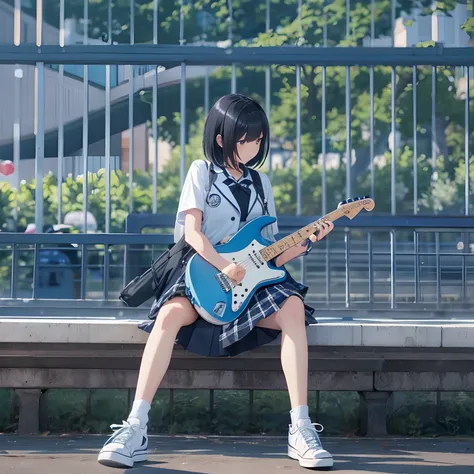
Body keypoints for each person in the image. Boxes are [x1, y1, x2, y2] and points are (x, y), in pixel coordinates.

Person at [97, 94, 335, 470]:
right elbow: (192, 233)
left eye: (258, 138)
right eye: (246, 138)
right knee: (170, 314)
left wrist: (306, 243)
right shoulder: (201, 172)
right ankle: (135, 427)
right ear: (222, 138)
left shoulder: (261, 183)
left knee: (292, 307)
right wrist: (224, 265)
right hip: (203, 273)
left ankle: (301, 428)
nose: (254, 145)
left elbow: (270, 250)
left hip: (251, 281)